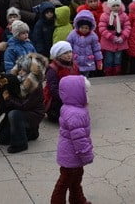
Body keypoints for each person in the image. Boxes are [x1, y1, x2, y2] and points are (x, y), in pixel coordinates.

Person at [50, 75, 94, 204]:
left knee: (75, 179)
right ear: (77, 93)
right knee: (64, 182)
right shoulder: (76, 114)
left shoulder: (70, 108)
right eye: (85, 91)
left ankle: (77, 199)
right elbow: (79, 139)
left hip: (70, 154)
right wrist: (87, 155)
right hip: (73, 155)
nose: (87, 94)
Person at [44, 40, 79, 124]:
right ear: (58, 55)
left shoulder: (74, 65)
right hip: (57, 98)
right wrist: (66, 99)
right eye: (65, 53)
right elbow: (53, 89)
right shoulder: (53, 69)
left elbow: (78, 81)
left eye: (70, 51)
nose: (69, 55)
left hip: (71, 96)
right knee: (60, 117)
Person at [97, 0, 130, 76]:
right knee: (109, 59)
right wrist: (111, 36)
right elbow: (102, 28)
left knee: (118, 60)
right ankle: (108, 73)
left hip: (120, 42)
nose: (115, 8)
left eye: (117, 5)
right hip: (108, 42)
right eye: (113, 6)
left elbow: (127, 27)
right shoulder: (104, 16)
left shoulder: (124, 15)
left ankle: (117, 73)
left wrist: (123, 36)